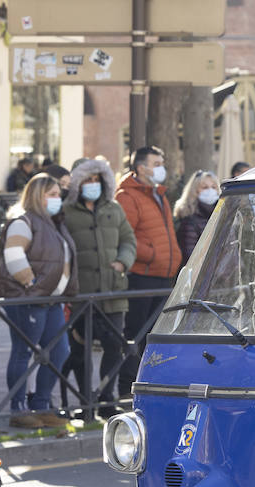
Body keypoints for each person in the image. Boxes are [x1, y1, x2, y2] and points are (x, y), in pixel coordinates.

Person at [0, 173, 75, 428]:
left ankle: (41, 404)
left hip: (50, 300)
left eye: (58, 194)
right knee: (23, 352)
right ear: (37, 196)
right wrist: (33, 285)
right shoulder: (23, 221)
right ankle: (18, 409)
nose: (57, 199)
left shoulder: (52, 223)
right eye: (51, 194)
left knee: (60, 351)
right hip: (29, 299)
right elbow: (14, 255)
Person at [61, 157, 135, 416]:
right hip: (81, 294)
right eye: (87, 180)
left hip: (113, 292)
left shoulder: (114, 208)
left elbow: (128, 240)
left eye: (96, 180)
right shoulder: (66, 211)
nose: (92, 184)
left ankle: (106, 399)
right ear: (77, 183)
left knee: (114, 347)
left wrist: (122, 262)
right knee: (79, 351)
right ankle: (85, 403)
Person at [114, 145, 181, 396]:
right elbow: (125, 237)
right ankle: (126, 388)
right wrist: (153, 254)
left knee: (157, 335)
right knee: (136, 334)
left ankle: (152, 383)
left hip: (163, 274)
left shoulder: (158, 194)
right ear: (141, 168)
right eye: (156, 163)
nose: (161, 167)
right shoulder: (127, 196)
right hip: (142, 275)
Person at [174, 169, 220, 261]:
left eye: (213, 187)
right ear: (194, 190)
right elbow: (190, 256)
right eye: (205, 187)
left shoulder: (222, 214)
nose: (210, 190)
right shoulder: (189, 220)